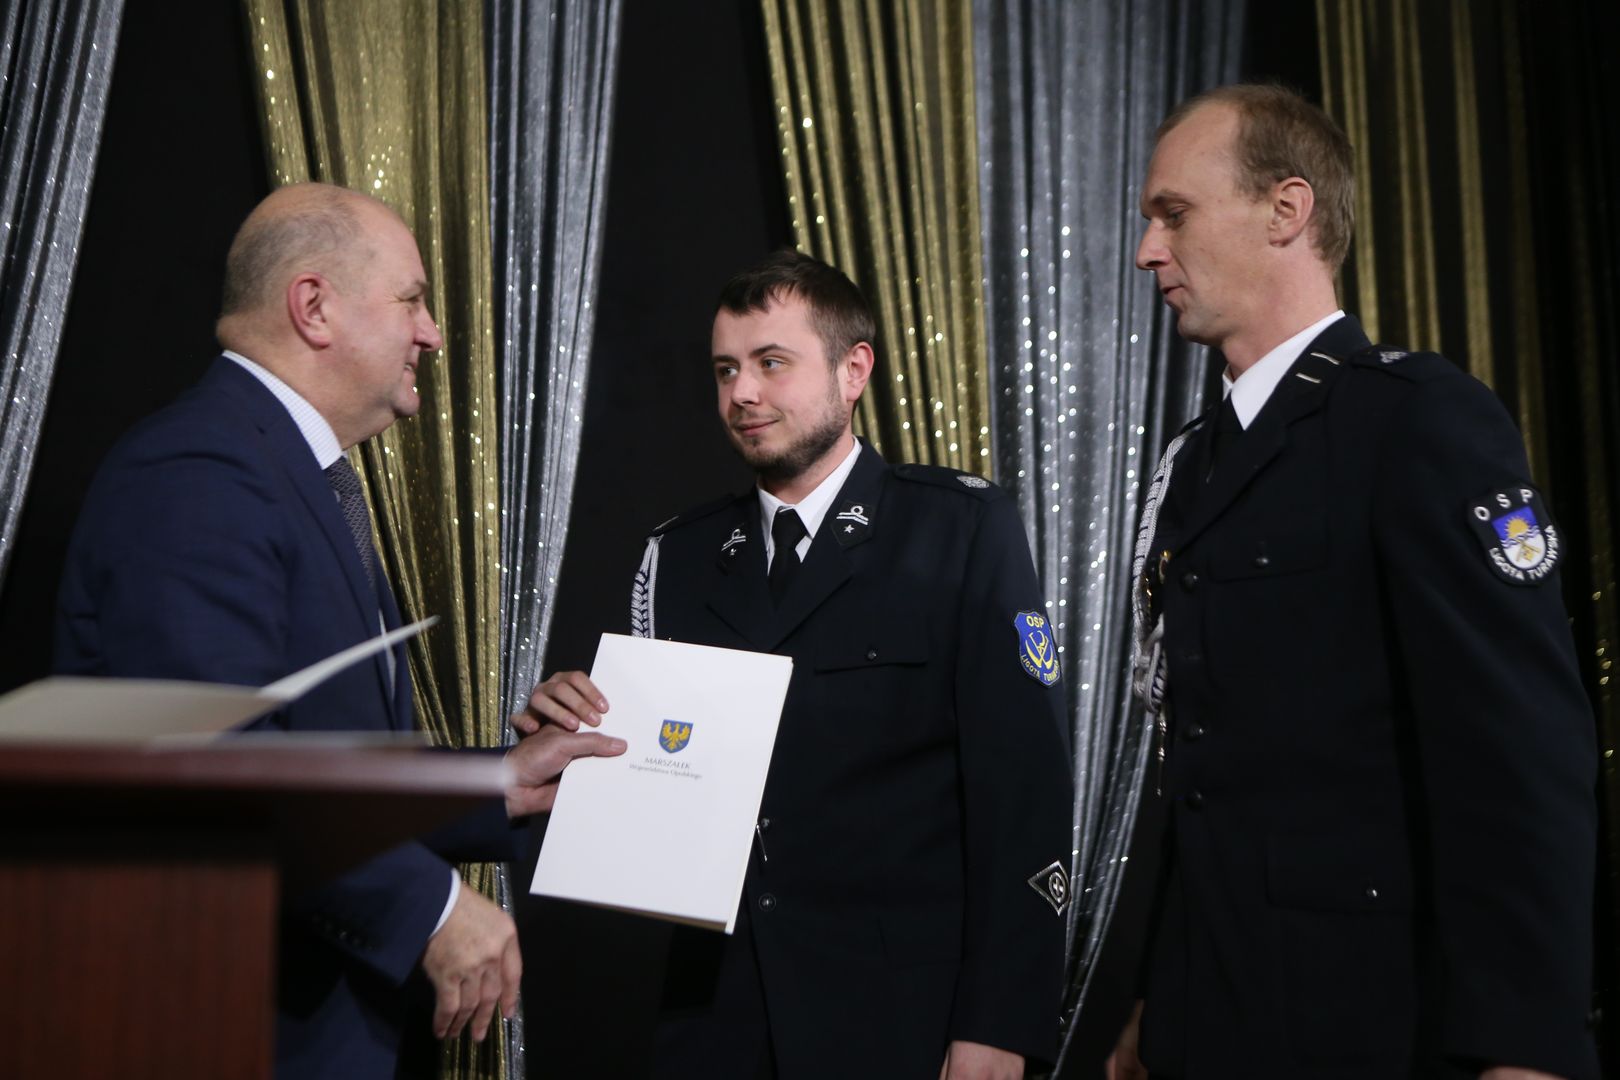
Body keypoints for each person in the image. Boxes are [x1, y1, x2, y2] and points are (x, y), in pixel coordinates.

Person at [54, 183, 625, 1079]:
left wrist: (500, 781)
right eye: (412, 300)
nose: (432, 333)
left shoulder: (288, 471)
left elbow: (325, 756)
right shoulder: (199, 468)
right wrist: (433, 908)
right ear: (314, 307)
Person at [1106, 84, 1598, 1080]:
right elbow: (1196, 765)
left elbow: (1519, 752)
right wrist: (1158, 996)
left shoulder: (1414, 419)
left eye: (1174, 214)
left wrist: (1527, 1042)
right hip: (1211, 1015)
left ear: (1286, 210)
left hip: (1369, 1019)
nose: (1149, 250)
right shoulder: (1193, 463)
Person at [524, 251, 1074, 1078]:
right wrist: (577, 738)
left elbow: (1024, 791)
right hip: (716, 1020)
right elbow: (662, 789)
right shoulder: (680, 556)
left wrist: (999, 1023)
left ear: (854, 371)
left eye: (771, 362)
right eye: (725, 369)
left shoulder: (959, 530)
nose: (742, 393)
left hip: (899, 1020)